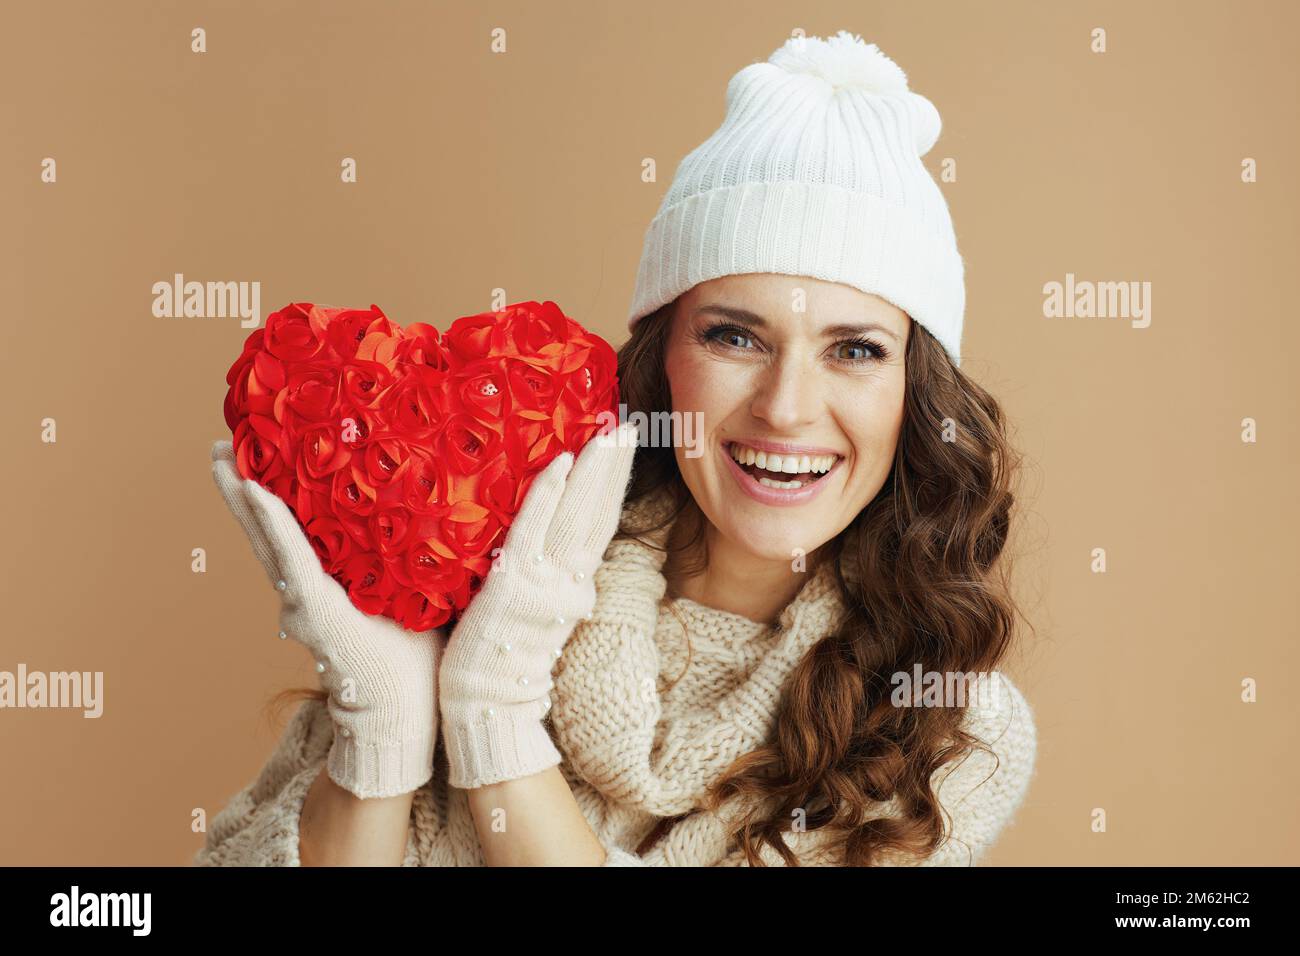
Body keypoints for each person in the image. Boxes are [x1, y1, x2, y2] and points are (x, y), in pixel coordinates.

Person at [195, 30, 1037, 867]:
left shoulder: (952, 730)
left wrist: (493, 712)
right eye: (735, 338)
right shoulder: (477, 546)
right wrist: (382, 735)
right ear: (660, 359)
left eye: (855, 350)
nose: (785, 409)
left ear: (916, 396)